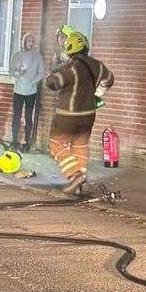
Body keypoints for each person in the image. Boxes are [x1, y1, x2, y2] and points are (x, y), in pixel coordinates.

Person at [45, 25, 113, 197]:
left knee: (56, 144)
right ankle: (78, 184)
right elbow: (109, 79)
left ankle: (74, 175)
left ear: (70, 47)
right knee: (80, 146)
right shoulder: (98, 65)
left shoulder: (72, 66)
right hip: (89, 115)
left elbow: (54, 82)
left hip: (68, 114)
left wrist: (50, 76)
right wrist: (97, 94)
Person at [9, 31, 45, 151]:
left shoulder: (37, 56)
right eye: (29, 41)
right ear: (24, 42)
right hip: (18, 90)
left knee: (28, 116)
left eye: (32, 41)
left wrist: (33, 82)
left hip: (31, 91)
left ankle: (26, 142)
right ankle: (14, 141)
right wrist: (18, 73)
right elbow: (11, 71)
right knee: (16, 116)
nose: (31, 43)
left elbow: (41, 72)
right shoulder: (17, 55)